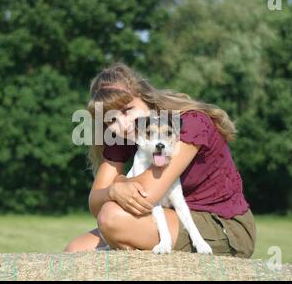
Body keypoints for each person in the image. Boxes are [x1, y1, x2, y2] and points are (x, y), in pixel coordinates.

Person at [64, 62, 256, 257]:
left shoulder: (189, 123)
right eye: (111, 119)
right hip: (165, 214)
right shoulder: (130, 134)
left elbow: (147, 193)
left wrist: (118, 183)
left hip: (221, 223)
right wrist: (114, 189)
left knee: (111, 217)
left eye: (127, 109)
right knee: (76, 250)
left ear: (145, 97)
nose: (123, 124)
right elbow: (95, 202)